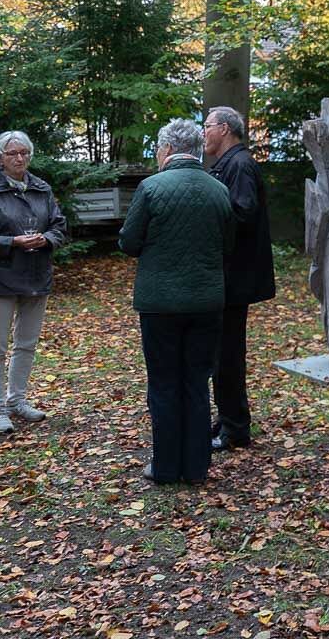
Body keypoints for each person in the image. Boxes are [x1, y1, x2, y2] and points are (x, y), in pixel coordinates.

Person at [120, 118, 234, 485]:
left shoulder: (151, 188)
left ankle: (166, 466)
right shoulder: (219, 189)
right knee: (197, 383)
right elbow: (228, 243)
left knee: (164, 383)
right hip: (207, 301)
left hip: (160, 303)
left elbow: (129, 242)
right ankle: (197, 467)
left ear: (167, 149)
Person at [0, 131, 67, 434]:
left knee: (26, 343)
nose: (19, 158)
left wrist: (46, 239)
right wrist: (12, 242)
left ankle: (17, 400)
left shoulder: (41, 188)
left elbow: (59, 226)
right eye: (13, 153)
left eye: (24, 152)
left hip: (36, 274)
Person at [202, 106, 275, 452]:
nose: (203, 132)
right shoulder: (227, 164)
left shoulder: (240, 165)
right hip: (225, 276)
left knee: (228, 355)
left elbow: (242, 213)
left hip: (234, 277)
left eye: (207, 125)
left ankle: (235, 427)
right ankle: (227, 417)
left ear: (225, 129)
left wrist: (204, 218)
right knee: (221, 354)